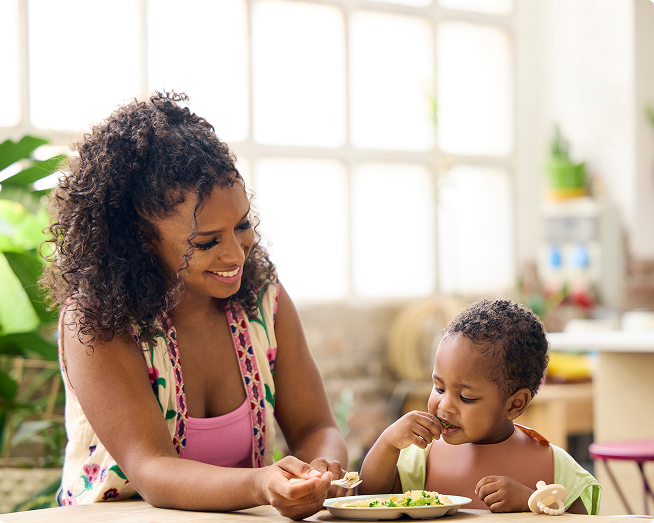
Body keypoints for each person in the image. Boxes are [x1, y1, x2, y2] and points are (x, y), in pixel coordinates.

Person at [41, 91, 349, 520]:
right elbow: (152, 470)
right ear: (142, 240)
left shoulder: (265, 302)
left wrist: (320, 471)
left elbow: (317, 427)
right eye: (207, 242)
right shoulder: (96, 322)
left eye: (242, 225)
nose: (236, 256)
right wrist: (262, 482)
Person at [359, 299, 601, 515]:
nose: (444, 405)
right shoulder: (423, 454)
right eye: (439, 388)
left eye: (466, 397)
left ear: (515, 404)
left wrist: (531, 502)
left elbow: (579, 521)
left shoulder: (554, 464)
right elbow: (369, 497)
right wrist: (388, 443)